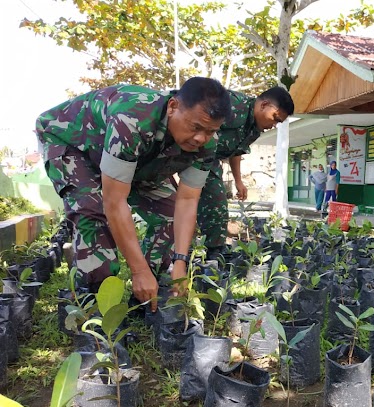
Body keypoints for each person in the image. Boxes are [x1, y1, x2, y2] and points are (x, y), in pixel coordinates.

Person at [36, 77, 232, 309]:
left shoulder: (207, 143)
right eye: (195, 127)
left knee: (168, 215)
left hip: (130, 157)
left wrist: (180, 262)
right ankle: (95, 302)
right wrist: (137, 270)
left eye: (210, 131)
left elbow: (188, 200)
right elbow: (114, 201)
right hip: (73, 142)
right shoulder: (132, 119)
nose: (201, 138)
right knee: (93, 212)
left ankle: (146, 295)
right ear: (173, 107)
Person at [198, 87, 294, 259]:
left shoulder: (254, 129)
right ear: (264, 105)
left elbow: (236, 151)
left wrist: (238, 181)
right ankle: (203, 251)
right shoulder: (232, 105)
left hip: (209, 161)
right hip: (192, 153)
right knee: (212, 202)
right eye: (275, 118)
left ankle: (213, 253)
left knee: (216, 205)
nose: (274, 125)